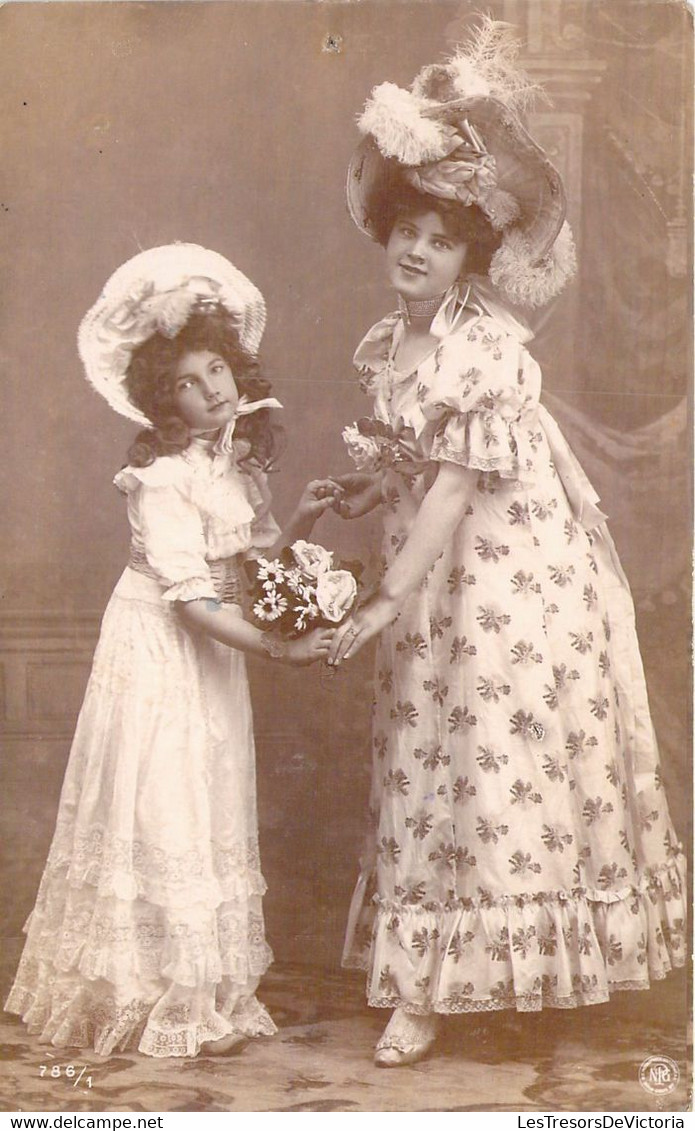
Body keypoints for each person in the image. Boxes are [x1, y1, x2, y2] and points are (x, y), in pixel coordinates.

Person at [328, 20, 686, 1068]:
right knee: (429, 764)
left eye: (439, 240)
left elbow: (451, 491)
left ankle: (492, 983)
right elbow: (413, 467)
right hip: (433, 577)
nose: (414, 250)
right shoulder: (394, 342)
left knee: (493, 761)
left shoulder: (486, 350)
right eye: (405, 230)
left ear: (471, 256)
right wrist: (361, 485)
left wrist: (385, 597)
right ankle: (429, 983)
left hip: (505, 589)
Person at [5, 243, 340, 1058]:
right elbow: (190, 599)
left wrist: (299, 518)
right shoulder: (160, 479)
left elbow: (247, 559)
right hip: (162, 646)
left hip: (214, 643)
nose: (210, 390)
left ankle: (204, 990)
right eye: (187, 383)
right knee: (162, 798)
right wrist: (281, 650)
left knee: (207, 793)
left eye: (217, 369)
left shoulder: (231, 462)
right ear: (164, 401)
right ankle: (153, 991)